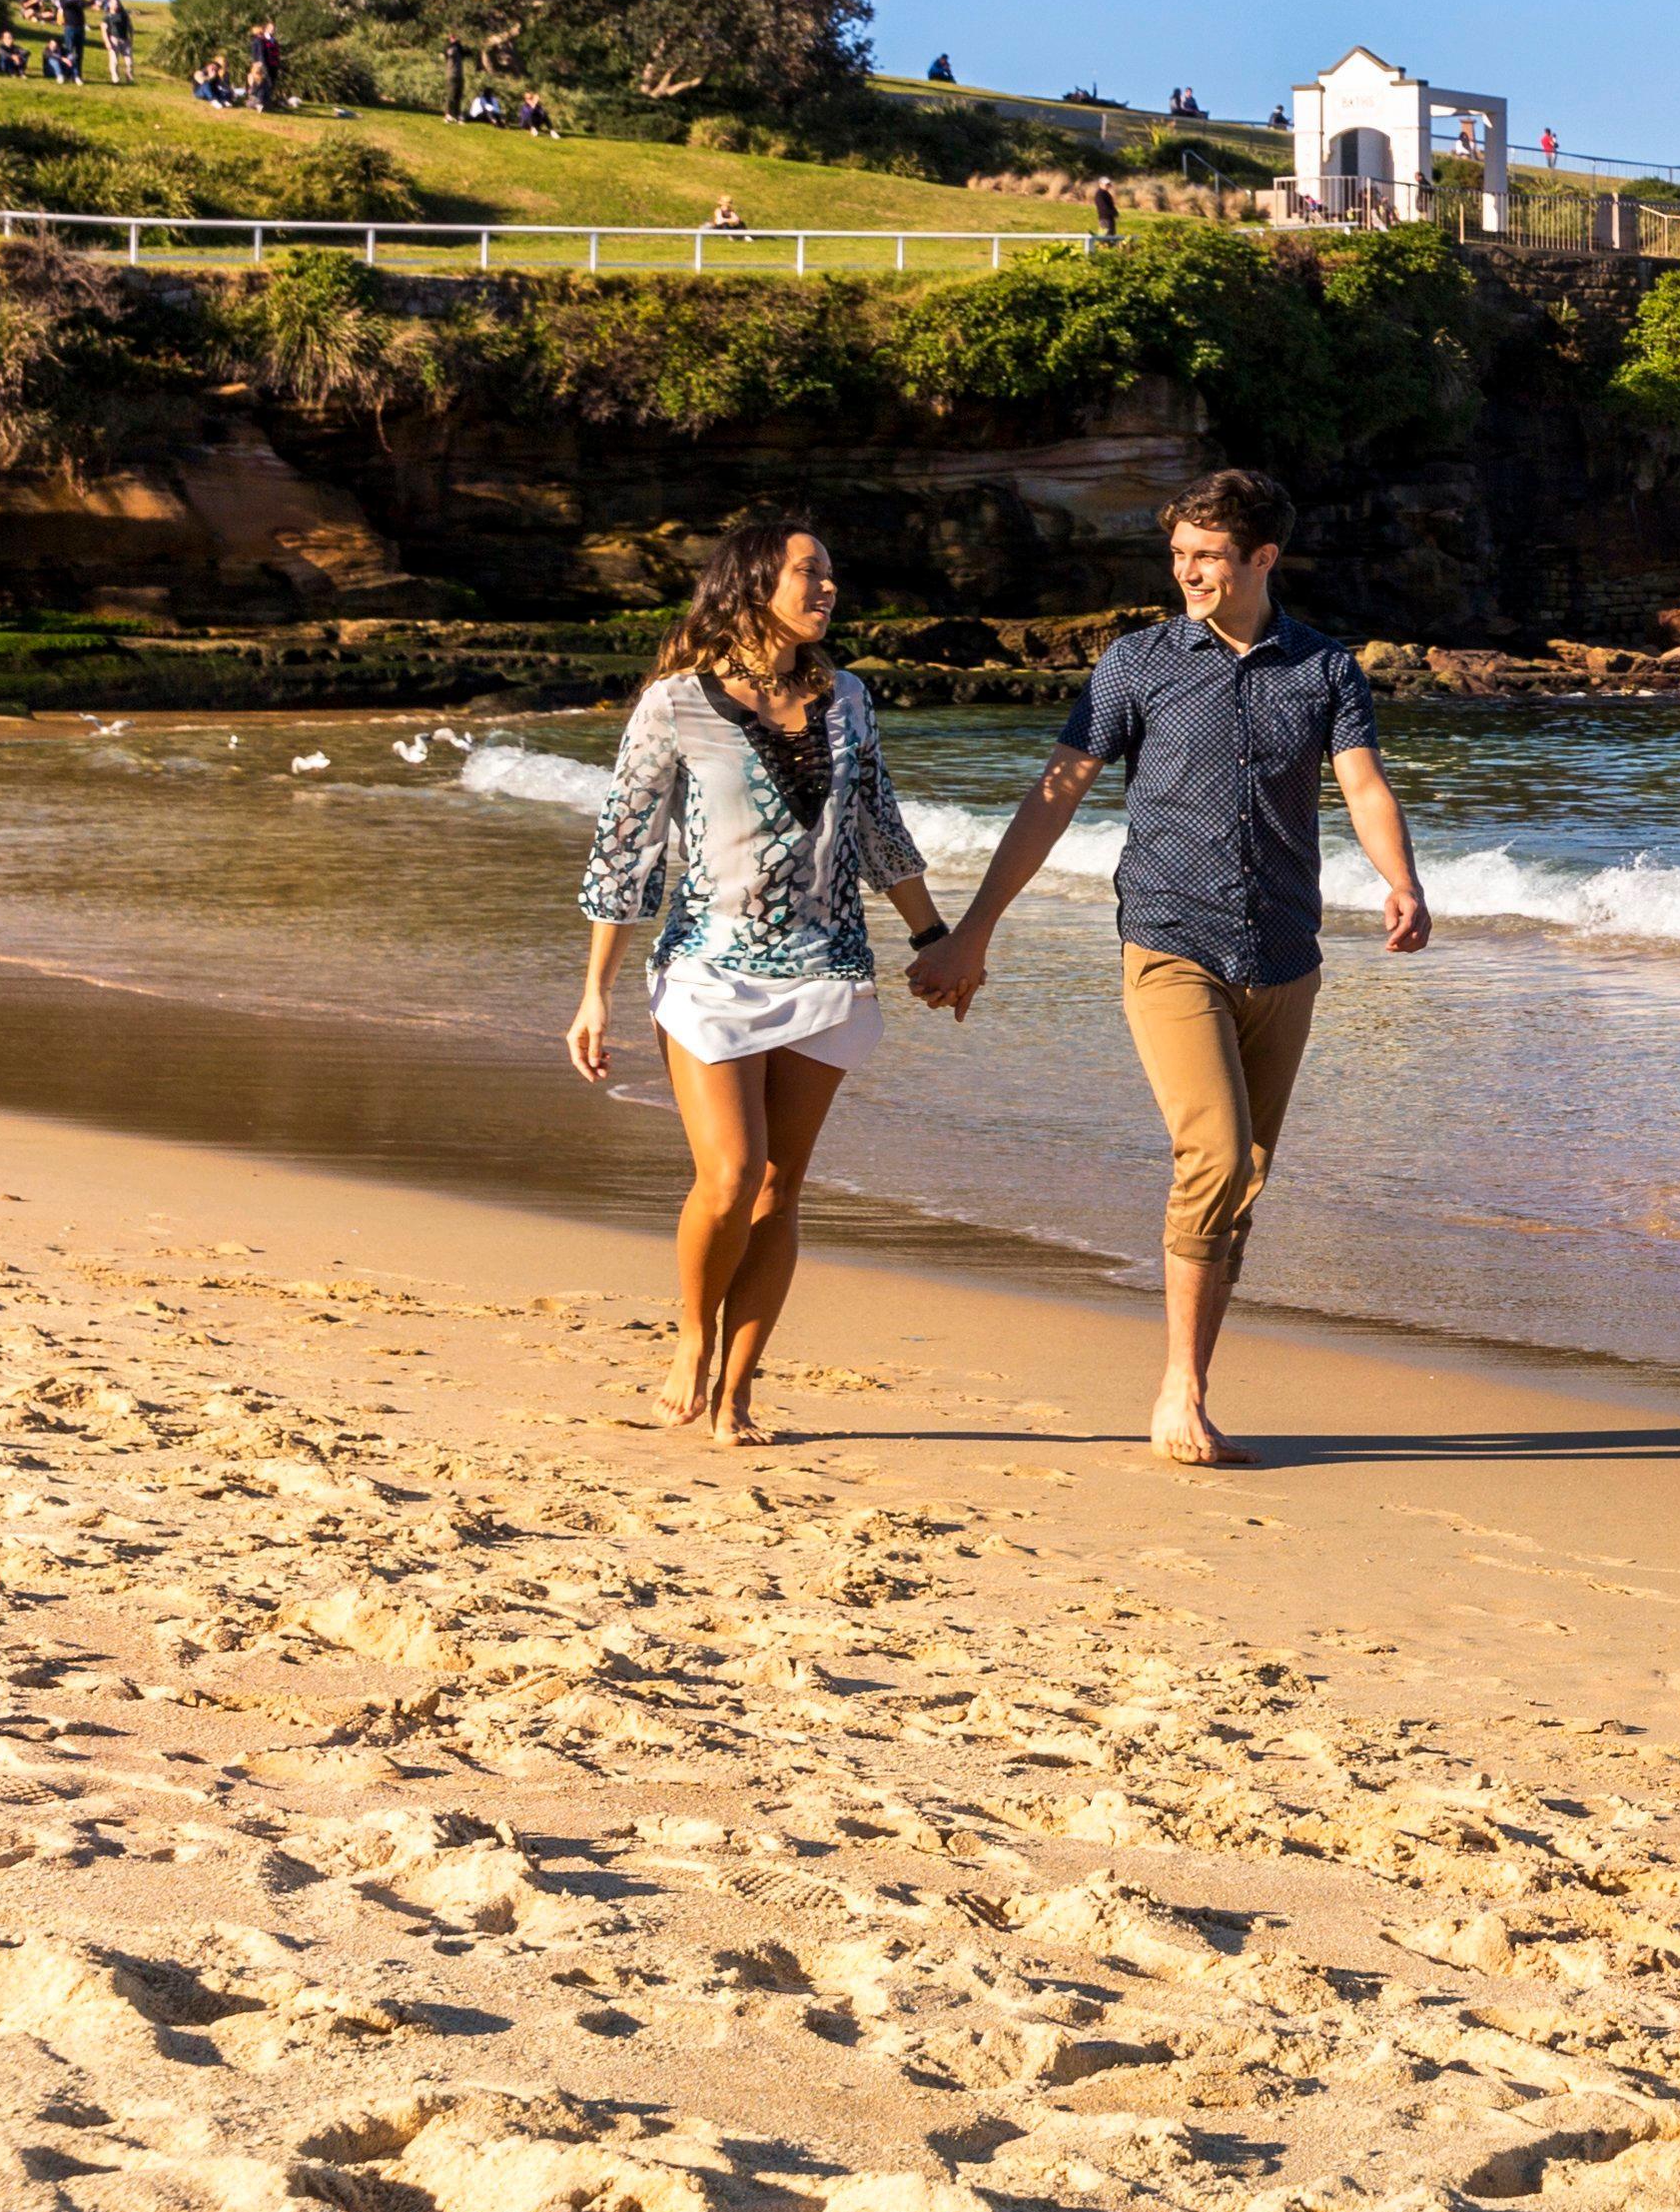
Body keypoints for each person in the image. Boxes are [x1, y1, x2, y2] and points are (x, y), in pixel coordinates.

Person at [914, 471, 1428, 1466]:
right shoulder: (1135, 665)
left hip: (1284, 951)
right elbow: (1055, 795)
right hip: (1168, 941)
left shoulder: (1325, 670)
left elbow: (1363, 785)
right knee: (1218, 1159)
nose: (1186, 572)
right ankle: (1178, 1396)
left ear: (1261, 559)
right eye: (1179, 555)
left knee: (1244, 1182)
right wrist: (975, 928)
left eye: (1206, 556)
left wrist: (1399, 880)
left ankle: (1197, 1389)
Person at [568, 515, 956, 1448]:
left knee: (782, 1189)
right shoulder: (676, 704)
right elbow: (626, 851)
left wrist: (933, 936)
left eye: (830, 574)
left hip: (828, 971)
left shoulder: (851, 699)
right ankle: (692, 1335)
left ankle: (739, 1393)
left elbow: (877, 832)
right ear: (751, 586)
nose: (827, 588)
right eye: (807, 574)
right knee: (732, 1174)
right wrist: (596, 991)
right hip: (709, 970)